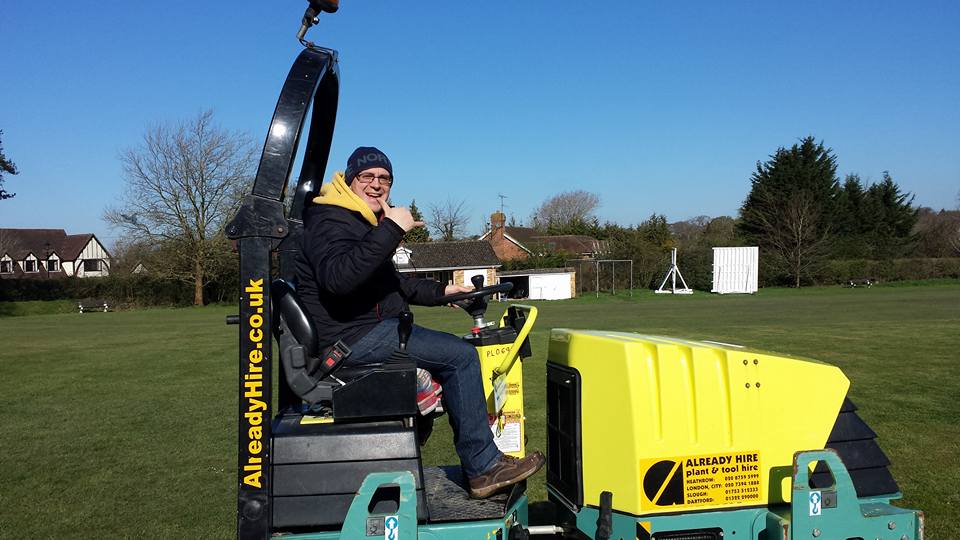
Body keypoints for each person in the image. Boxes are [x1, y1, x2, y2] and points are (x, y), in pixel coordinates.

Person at [294, 146, 545, 498]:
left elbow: (394, 284)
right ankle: (483, 467)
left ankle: (423, 434)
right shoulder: (330, 220)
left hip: (366, 330)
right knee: (460, 357)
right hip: (350, 339)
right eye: (367, 176)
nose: (377, 184)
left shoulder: (358, 220)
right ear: (349, 181)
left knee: (449, 354)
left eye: (385, 179)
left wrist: (444, 291)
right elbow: (339, 279)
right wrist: (392, 228)